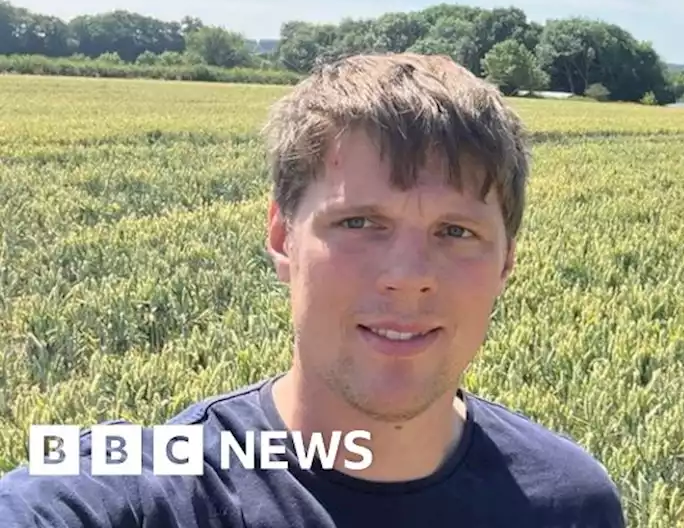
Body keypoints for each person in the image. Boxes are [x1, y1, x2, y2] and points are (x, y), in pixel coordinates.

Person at [0, 53, 625, 527]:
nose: (408, 274)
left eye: (456, 231)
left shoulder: (571, 501)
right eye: (359, 223)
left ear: (506, 263)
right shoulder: (157, 485)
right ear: (282, 239)